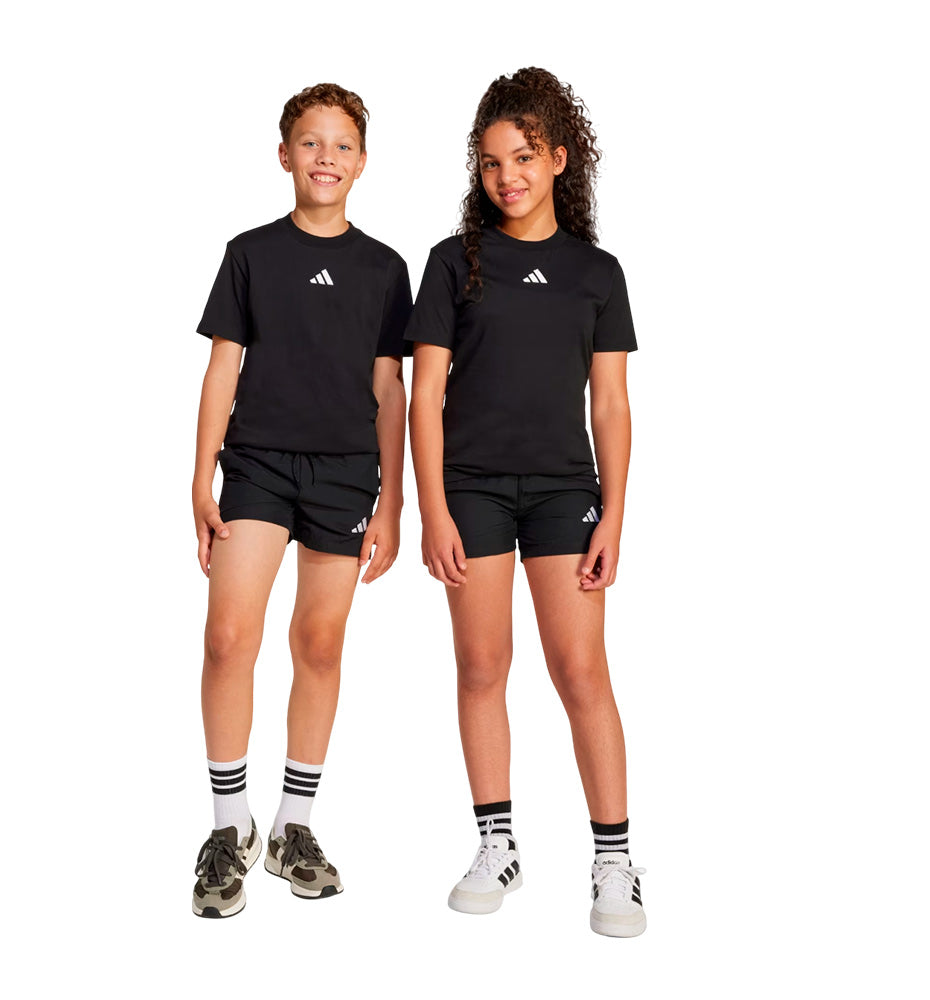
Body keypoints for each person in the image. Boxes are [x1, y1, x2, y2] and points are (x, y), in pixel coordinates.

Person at [407, 67, 645, 937]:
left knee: (581, 670)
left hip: (562, 492)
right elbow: (423, 397)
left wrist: (613, 513)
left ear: (559, 159)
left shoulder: (597, 273)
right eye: (490, 162)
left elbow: (610, 404)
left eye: (522, 157)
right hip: (468, 488)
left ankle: (615, 861)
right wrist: (431, 510)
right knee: (481, 665)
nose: (505, 176)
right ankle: (496, 844)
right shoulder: (452, 262)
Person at [190, 83, 411, 918]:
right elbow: (223, 368)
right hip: (257, 467)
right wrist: (200, 478)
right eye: (311, 142)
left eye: (342, 144)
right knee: (228, 638)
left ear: (363, 162)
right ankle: (229, 825)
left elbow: (390, 389)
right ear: (284, 154)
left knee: (319, 642)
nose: (326, 156)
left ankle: (292, 826)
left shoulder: (386, 269)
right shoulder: (250, 253)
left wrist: (392, 503)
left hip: (348, 474)